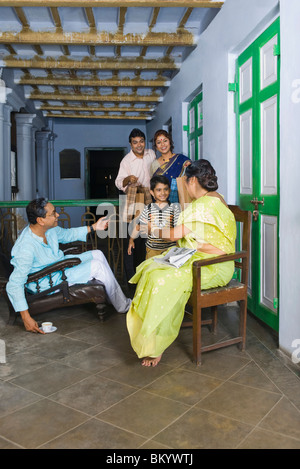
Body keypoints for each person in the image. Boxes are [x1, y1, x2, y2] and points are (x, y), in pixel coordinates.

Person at [126, 159, 236, 367]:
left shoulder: (206, 204)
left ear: (193, 180)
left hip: (212, 266)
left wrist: (151, 230)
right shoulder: (215, 198)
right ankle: (149, 333)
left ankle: (155, 344)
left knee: (161, 279)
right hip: (205, 260)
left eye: (185, 182)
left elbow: (173, 236)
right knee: (151, 266)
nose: (185, 187)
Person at [6, 198, 131, 334]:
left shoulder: (48, 229)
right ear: (40, 220)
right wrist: (26, 318)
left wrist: (94, 227)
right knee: (97, 266)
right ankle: (123, 305)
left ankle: (114, 298)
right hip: (48, 281)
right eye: (53, 213)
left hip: (59, 268)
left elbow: (67, 234)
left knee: (97, 254)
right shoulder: (26, 247)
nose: (57, 215)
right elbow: (14, 284)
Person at [115, 128, 156, 281]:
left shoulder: (151, 154)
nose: (139, 145)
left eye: (141, 141)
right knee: (132, 237)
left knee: (147, 236)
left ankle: (145, 272)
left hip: (149, 198)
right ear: (130, 144)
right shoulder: (126, 161)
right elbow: (119, 182)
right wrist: (128, 179)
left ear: (144, 142)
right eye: (135, 142)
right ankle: (131, 278)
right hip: (134, 199)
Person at [128, 175, 181, 260]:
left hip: (170, 250)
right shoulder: (148, 209)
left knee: (168, 271)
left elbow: (177, 229)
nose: (163, 193)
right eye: (159, 190)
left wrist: (178, 248)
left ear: (169, 190)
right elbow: (138, 226)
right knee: (151, 270)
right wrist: (131, 240)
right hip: (152, 250)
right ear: (152, 192)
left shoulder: (174, 208)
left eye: (165, 189)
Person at [150, 129, 190, 203]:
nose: (163, 144)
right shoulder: (154, 165)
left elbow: (192, 178)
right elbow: (154, 186)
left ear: (170, 142)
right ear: (156, 147)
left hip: (182, 200)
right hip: (163, 203)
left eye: (165, 141)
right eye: (159, 142)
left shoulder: (181, 159)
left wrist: (187, 167)